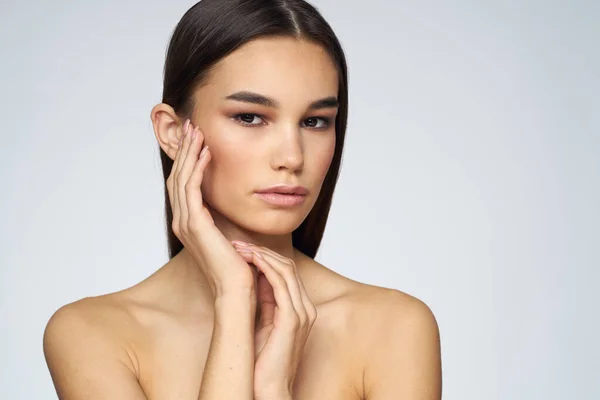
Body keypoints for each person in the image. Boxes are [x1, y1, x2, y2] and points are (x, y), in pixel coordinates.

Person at [43, 0, 442, 398]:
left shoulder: (394, 327)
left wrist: (273, 389)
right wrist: (234, 299)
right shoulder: (92, 333)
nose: (292, 157)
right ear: (172, 132)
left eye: (315, 121)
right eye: (250, 117)